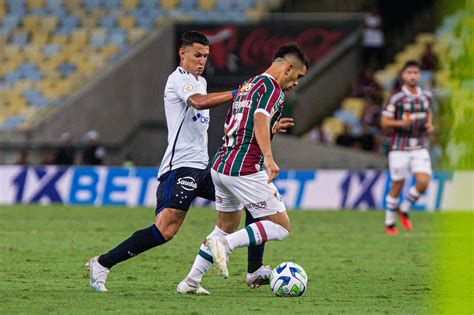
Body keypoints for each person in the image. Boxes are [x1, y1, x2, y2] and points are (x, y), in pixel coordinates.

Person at [85, 31, 270, 294]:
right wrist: (237, 91)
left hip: (203, 167)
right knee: (166, 230)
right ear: (182, 53)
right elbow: (198, 102)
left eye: (205, 56)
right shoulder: (179, 80)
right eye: (197, 55)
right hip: (180, 167)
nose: (202, 60)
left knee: (251, 199)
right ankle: (102, 264)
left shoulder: (201, 81)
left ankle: (250, 271)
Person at [180, 43, 308, 287]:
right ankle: (225, 247)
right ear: (289, 68)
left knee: (225, 226)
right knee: (280, 226)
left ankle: (191, 281)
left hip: (221, 165)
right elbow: (259, 117)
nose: (297, 83)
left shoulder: (248, 85)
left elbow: (239, 124)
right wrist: (268, 159)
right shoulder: (272, 89)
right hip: (245, 168)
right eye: (298, 76)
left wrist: (270, 130)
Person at [380, 60, 435, 235]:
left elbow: (428, 112)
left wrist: (430, 125)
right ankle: (389, 223)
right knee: (398, 184)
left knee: (423, 181)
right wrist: (401, 123)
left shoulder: (426, 96)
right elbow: (384, 122)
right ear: (403, 75)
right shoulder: (396, 98)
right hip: (399, 147)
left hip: (419, 146)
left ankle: (404, 208)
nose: (412, 76)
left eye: (416, 73)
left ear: (419, 75)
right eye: (409, 73)